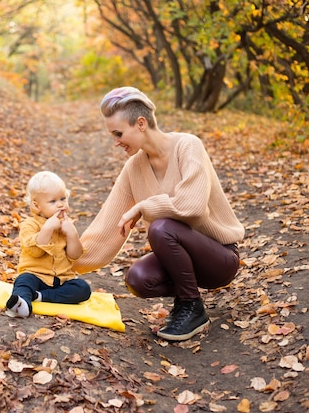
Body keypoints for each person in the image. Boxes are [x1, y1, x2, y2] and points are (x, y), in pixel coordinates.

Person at [73, 87, 245, 341]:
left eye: (119, 133)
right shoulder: (134, 167)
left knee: (161, 227)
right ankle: (188, 300)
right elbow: (106, 227)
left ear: (141, 123)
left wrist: (145, 206)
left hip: (219, 257)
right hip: (180, 257)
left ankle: (191, 308)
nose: (116, 141)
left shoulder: (188, 145)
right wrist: (64, 262)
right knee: (138, 279)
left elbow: (194, 208)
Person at [6, 171, 91, 318]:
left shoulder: (67, 225)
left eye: (63, 199)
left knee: (83, 289)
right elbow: (35, 252)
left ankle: (40, 296)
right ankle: (23, 304)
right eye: (53, 201)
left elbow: (75, 255)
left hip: (62, 280)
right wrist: (48, 228)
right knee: (23, 281)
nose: (60, 204)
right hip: (35, 276)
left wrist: (72, 234)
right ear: (36, 205)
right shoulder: (29, 225)